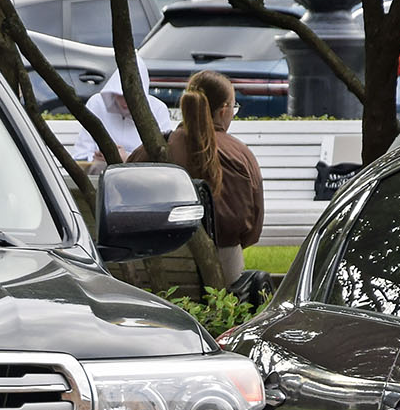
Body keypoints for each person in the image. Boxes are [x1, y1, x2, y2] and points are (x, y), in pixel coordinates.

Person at [133, 69, 264, 286]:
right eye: (234, 107)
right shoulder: (238, 154)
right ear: (223, 110)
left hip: (152, 267)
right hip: (221, 274)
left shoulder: (150, 151)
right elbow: (251, 228)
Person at [68, 56, 175, 164]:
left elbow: (162, 161)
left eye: (130, 97)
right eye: (120, 95)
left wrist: (128, 158)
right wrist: (97, 158)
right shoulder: (97, 103)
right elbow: (81, 155)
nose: (124, 103)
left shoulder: (158, 109)